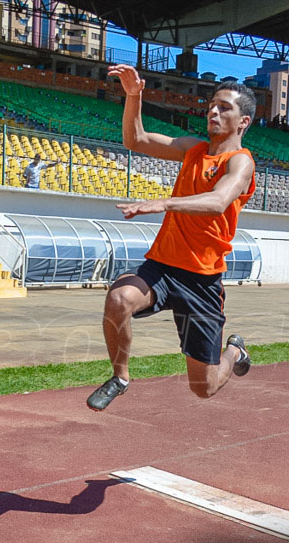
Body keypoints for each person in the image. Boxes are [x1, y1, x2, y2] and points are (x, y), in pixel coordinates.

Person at [86, 64, 256, 411]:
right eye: (212, 105)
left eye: (224, 107)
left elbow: (219, 201)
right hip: (163, 265)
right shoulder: (193, 149)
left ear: (243, 122)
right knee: (119, 299)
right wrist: (134, 96)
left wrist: (164, 202)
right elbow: (136, 139)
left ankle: (235, 351)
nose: (213, 111)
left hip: (202, 281)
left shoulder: (240, 163)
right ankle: (120, 377)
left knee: (203, 388)